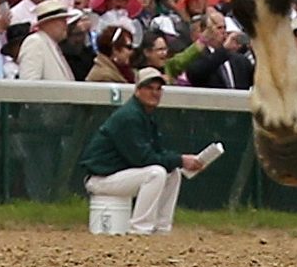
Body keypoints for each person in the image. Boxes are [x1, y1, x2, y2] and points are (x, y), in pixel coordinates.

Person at [77, 68, 217, 235]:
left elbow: (156, 152)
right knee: (156, 173)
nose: (155, 93)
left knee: (173, 173)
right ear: (137, 90)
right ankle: (140, 228)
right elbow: (143, 159)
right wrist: (181, 160)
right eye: (149, 88)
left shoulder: (144, 115)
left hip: (118, 175)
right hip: (101, 178)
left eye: (158, 89)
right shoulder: (130, 116)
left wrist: (182, 161)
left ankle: (161, 228)